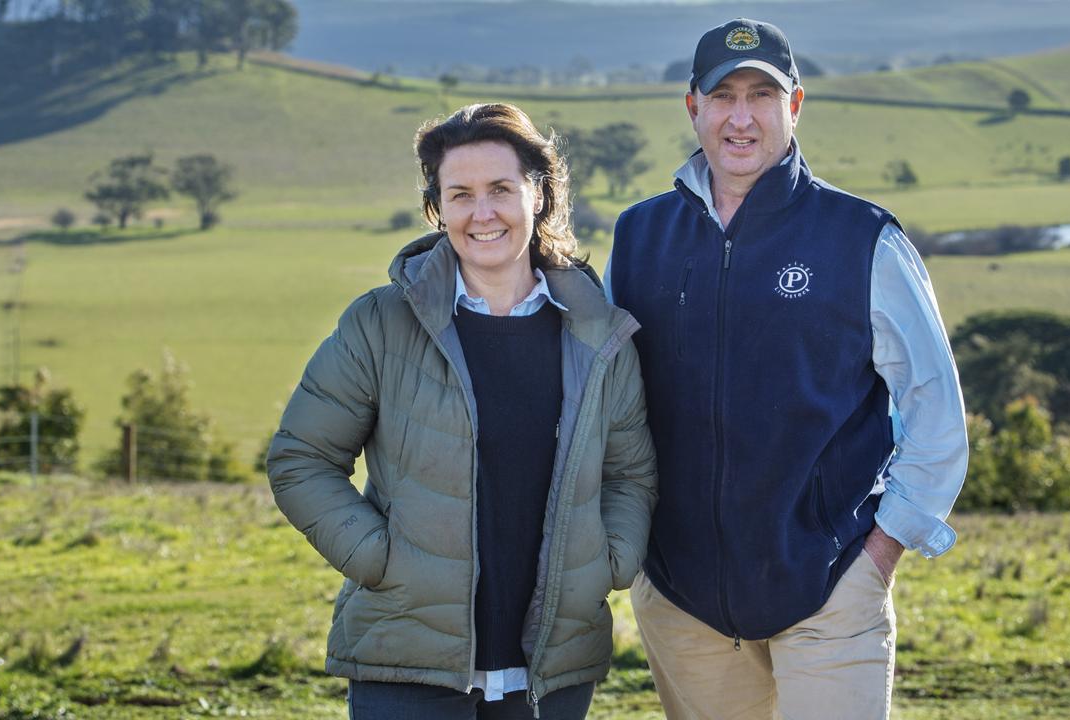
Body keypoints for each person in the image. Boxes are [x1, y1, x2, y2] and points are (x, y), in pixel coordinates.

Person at [606, 18, 968, 720]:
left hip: (831, 588)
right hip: (683, 600)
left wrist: (882, 553)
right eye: (723, 97)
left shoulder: (861, 237)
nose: (741, 118)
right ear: (693, 108)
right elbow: (609, 399)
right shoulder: (640, 235)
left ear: (794, 106)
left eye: (762, 96)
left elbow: (935, 407)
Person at [266, 102, 658, 720]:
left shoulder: (599, 336)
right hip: (406, 660)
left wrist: (610, 561)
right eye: (460, 194)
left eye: (501, 189)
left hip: (552, 671)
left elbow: (630, 474)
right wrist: (380, 560)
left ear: (540, 194)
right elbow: (301, 458)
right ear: (438, 207)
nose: (483, 214)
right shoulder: (380, 324)